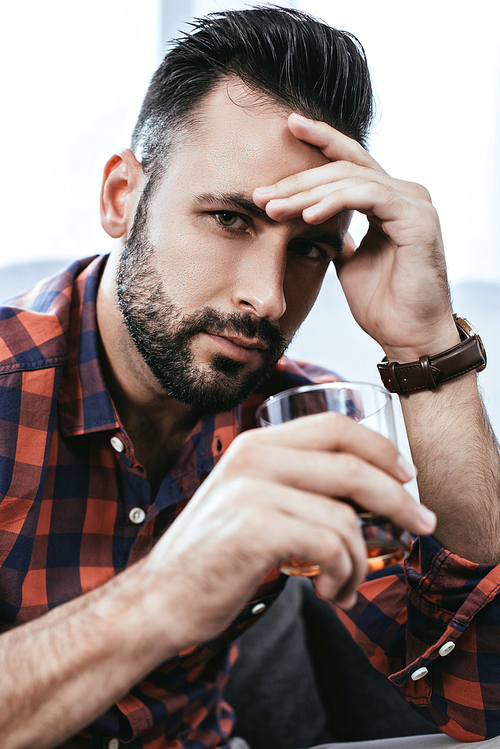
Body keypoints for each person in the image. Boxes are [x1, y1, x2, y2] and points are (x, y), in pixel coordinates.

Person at [0, 6, 499, 749]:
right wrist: (168, 589)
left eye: (310, 250)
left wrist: (427, 346)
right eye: (231, 218)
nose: (267, 300)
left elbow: (479, 696)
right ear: (120, 198)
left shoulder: (294, 418)